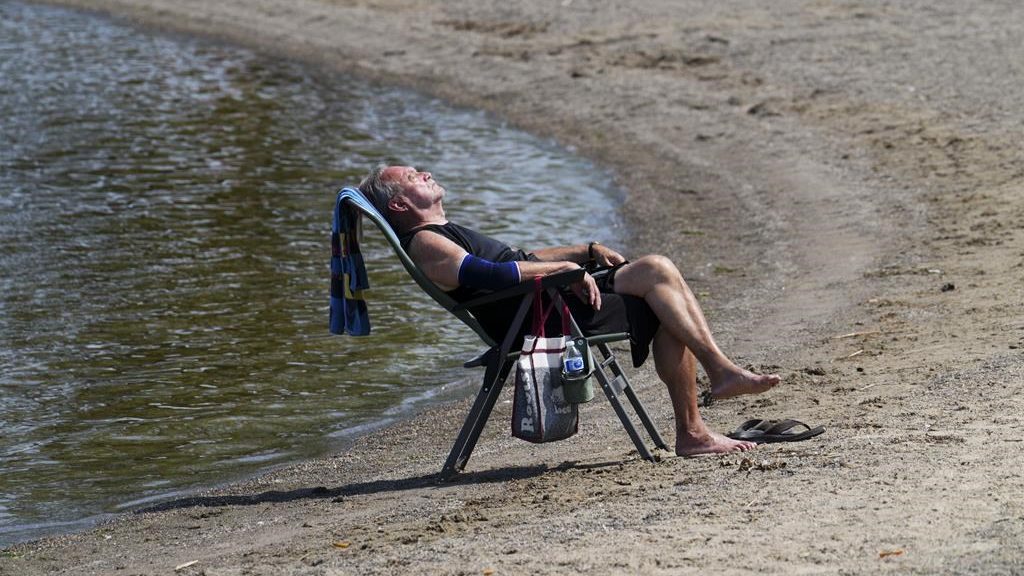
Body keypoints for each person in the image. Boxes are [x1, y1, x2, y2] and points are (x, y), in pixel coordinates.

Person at [359, 165, 781, 456]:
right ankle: (701, 413)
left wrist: (584, 251)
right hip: (540, 316)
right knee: (663, 292)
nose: (426, 173)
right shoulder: (425, 241)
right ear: (399, 205)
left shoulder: (441, 232)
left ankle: (708, 400)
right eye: (413, 177)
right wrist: (561, 269)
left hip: (546, 300)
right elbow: (486, 273)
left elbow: (518, 257)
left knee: (657, 271)